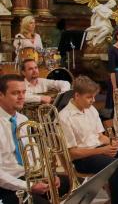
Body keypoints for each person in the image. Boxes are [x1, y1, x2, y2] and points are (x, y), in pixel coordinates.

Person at [0, 74, 69, 204]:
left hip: (27, 176)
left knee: (67, 183)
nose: (21, 97)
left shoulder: (23, 119)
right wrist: (29, 186)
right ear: (1, 95)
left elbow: (32, 151)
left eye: (23, 92)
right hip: (6, 185)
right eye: (15, 93)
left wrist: (47, 175)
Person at [59, 76, 118, 204]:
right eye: (89, 97)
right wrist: (102, 150)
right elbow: (72, 153)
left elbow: (100, 136)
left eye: (94, 96)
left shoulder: (91, 109)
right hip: (82, 158)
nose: (93, 100)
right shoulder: (64, 117)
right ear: (77, 95)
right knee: (115, 166)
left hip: (97, 149)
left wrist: (113, 142)